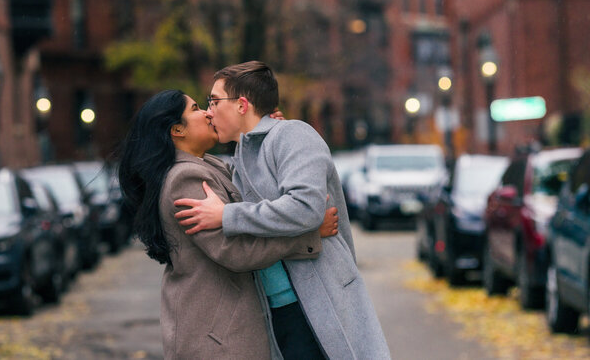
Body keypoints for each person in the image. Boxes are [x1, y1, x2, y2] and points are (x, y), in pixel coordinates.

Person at [174, 61, 391, 360]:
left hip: (319, 300)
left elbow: (305, 208)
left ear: (241, 105)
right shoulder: (241, 159)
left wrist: (227, 215)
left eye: (214, 100)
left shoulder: (293, 135)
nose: (209, 111)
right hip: (276, 310)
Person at [117, 89, 339, 359]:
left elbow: (251, 196)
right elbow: (235, 251)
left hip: (220, 330)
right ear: (177, 130)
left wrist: (267, 133)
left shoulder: (206, 166)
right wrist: (309, 236)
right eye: (197, 108)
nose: (208, 113)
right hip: (217, 338)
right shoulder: (184, 178)